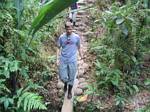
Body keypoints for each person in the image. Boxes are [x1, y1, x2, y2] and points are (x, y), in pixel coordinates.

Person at [56, 22, 83, 99]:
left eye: (70, 28)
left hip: (72, 60)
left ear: (72, 28)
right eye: (67, 29)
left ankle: (69, 91)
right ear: (65, 29)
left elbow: (79, 47)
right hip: (63, 59)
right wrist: (57, 58)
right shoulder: (61, 37)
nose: (69, 30)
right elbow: (58, 47)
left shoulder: (76, 37)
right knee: (63, 76)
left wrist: (81, 55)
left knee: (71, 76)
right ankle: (65, 84)